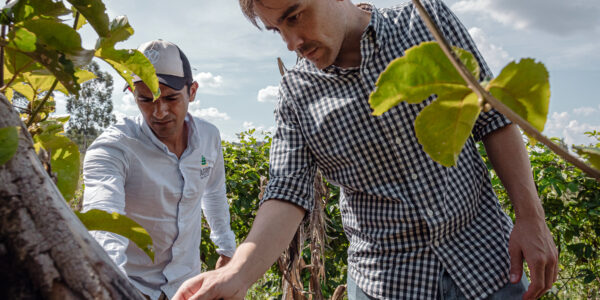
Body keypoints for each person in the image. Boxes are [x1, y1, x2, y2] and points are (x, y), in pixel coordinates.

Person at [174, 0, 558, 299]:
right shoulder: (296, 93)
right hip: (387, 283)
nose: (292, 43)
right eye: (277, 30)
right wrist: (237, 273)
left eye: (295, 17)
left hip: (486, 263)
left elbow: (492, 119)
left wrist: (531, 217)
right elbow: (287, 191)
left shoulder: (424, 25)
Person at [82, 39, 236, 300]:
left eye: (171, 98)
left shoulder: (209, 137)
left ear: (193, 91)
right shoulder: (114, 147)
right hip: (132, 287)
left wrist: (226, 250)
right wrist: (112, 287)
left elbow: (213, 192)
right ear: (133, 93)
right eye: (146, 99)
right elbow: (104, 221)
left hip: (187, 285)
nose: (159, 111)